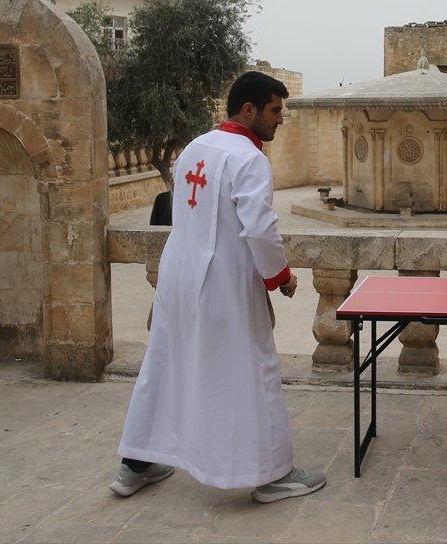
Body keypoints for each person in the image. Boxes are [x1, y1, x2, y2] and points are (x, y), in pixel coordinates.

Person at [112, 71, 326, 503]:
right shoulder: (250, 159)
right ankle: (272, 475)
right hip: (224, 285)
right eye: (275, 110)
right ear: (248, 110)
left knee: (166, 362)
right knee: (254, 369)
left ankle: (136, 464)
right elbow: (260, 229)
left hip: (178, 277)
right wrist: (281, 277)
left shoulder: (195, 147)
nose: (280, 120)